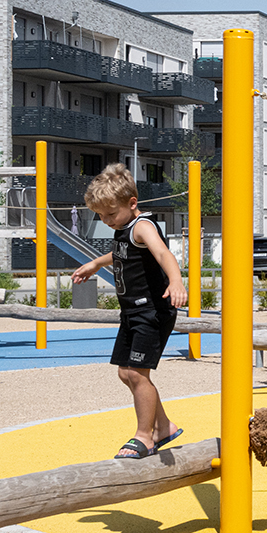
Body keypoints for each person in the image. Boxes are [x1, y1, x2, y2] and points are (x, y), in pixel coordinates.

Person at [69, 164, 189, 459]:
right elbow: (124, 253)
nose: (106, 220)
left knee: (137, 374)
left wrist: (175, 281)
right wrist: (97, 263)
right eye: (100, 215)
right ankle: (163, 426)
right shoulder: (125, 229)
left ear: (132, 204)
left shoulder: (143, 226)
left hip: (152, 312)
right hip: (132, 313)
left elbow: (162, 253)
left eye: (110, 214)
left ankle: (145, 436)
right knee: (125, 373)